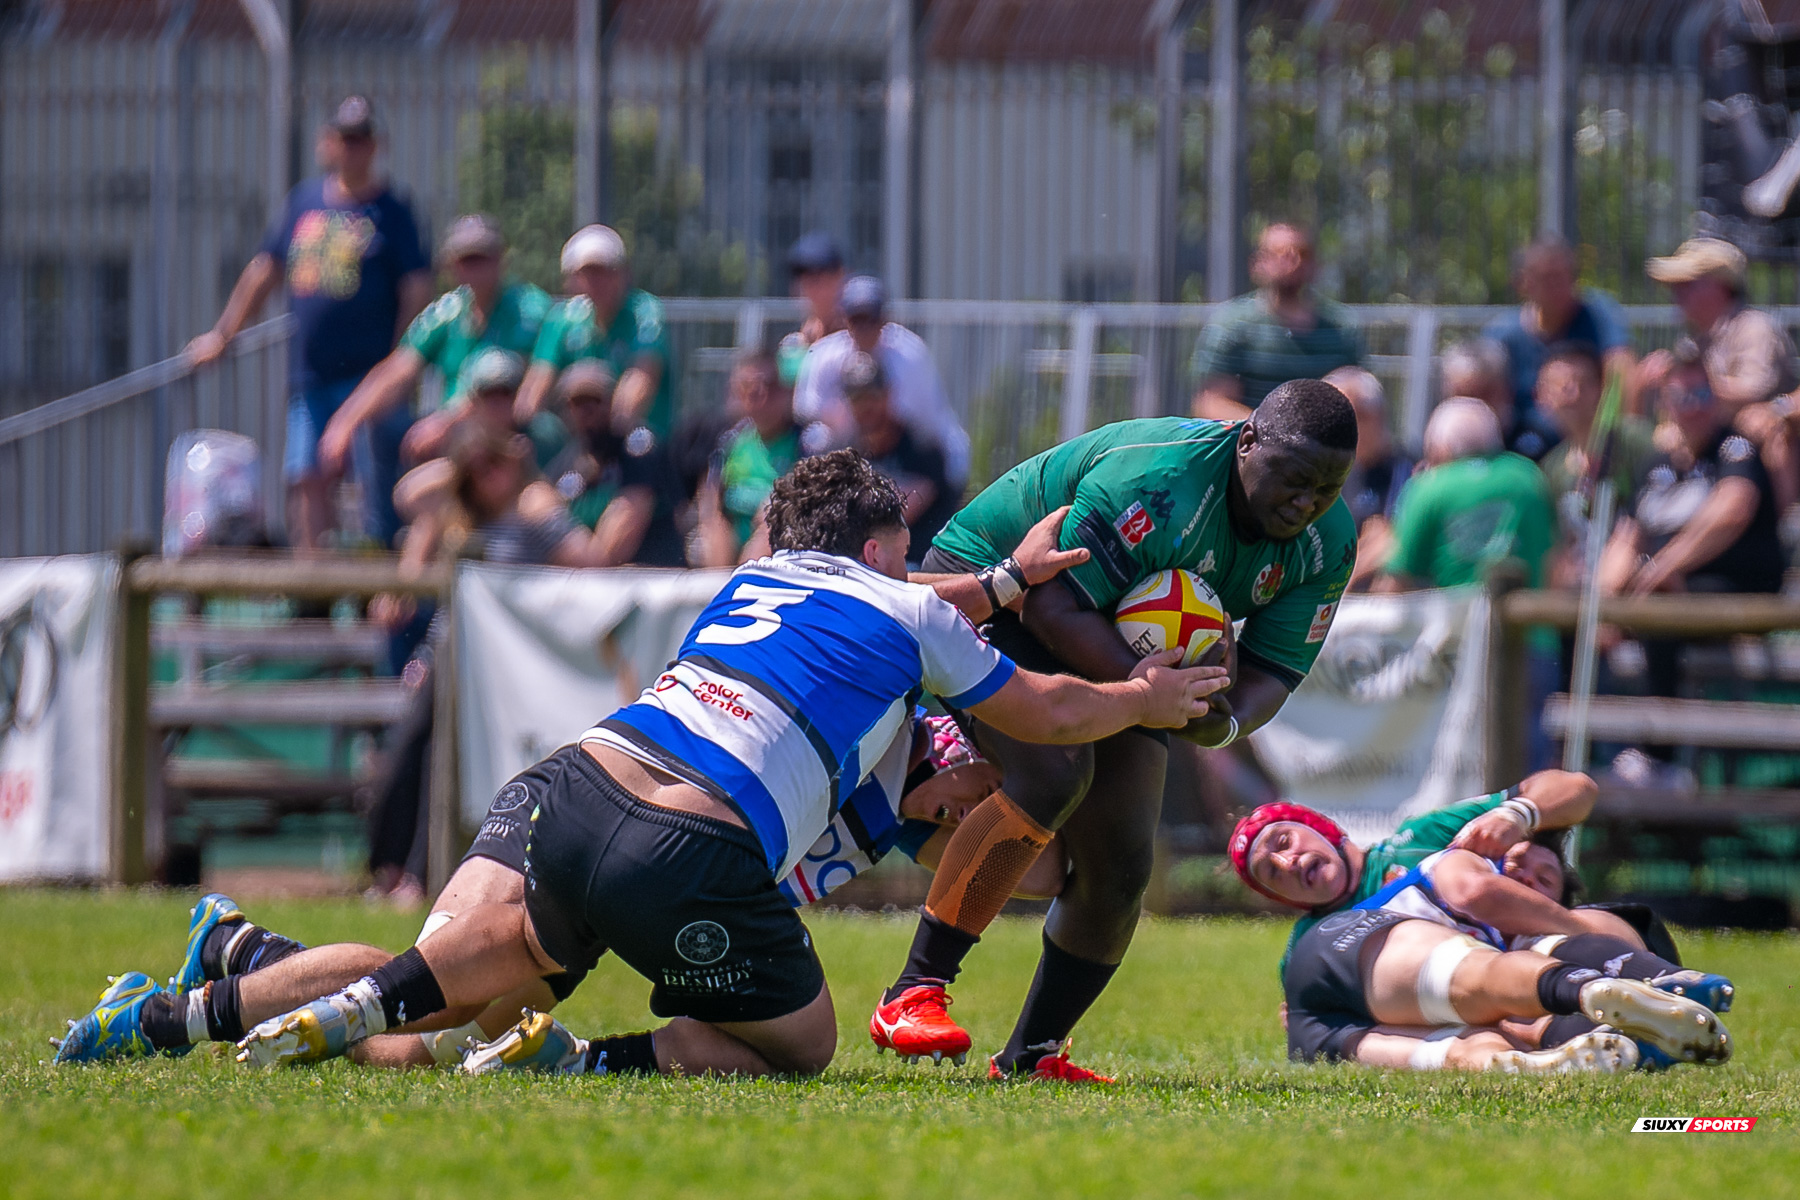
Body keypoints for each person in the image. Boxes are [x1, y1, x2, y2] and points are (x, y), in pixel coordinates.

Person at [57, 452, 1228, 1076]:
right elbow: (1040, 705)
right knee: (802, 1045)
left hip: (576, 776)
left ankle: (190, 1002)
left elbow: (907, 606)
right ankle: (577, 1063)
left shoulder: (754, 581)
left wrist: (1009, 584)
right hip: (686, 839)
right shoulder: (904, 622)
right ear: (881, 550)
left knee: (456, 986)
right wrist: (1145, 695)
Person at [870, 381, 1360, 1080]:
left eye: (1327, 488)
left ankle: (1032, 1056)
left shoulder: (1328, 541)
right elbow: (1051, 608)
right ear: (1246, 440)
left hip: (1111, 641)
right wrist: (1145, 695)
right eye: (1294, 478)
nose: (1306, 502)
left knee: (1124, 856)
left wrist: (1210, 718)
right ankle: (913, 991)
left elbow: (1272, 672)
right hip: (999, 587)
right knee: (1054, 770)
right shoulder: (1159, 480)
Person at [1228, 779, 1734, 1068]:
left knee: (1531, 927)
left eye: (1285, 842)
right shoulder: (1312, 947)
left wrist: (1520, 813)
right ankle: (1625, 1022)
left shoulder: (1419, 837)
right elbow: (1324, 1024)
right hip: (1486, 1006)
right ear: (1279, 898)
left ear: (1322, 829)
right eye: (1273, 873)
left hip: (1549, 947)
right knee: (1500, 1006)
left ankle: (1644, 990)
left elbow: (1578, 788)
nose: (1289, 862)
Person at [186, 96, 432, 550]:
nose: (352, 149)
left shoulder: (393, 212)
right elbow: (266, 270)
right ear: (328, 143)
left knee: (373, 482)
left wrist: (401, 361)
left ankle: (375, 583)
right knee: (306, 475)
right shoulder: (304, 202)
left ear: (377, 147)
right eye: (345, 138)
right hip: (312, 375)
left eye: (362, 140)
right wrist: (223, 335)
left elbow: (416, 288)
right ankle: (313, 584)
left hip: (370, 375)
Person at [317, 215, 552, 479]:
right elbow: (399, 368)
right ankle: (393, 521)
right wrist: (344, 424)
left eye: (483, 258)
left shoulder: (527, 309)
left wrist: (446, 421)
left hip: (507, 428)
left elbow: (505, 390)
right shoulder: (449, 311)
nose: (474, 269)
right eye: (466, 260)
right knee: (385, 428)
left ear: (501, 260)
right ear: (452, 266)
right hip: (453, 428)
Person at [793, 275, 971, 493]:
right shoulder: (826, 353)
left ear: (884, 318)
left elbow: (914, 417)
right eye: (857, 319)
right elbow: (806, 407)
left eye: (871, 318)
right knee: (814, 439)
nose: (864, 327)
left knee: (946, 456)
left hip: (906, 440)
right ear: (844, 318)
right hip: (846, 436)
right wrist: (850, 414)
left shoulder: (909, 353)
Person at [1377, 399, 1557, 591]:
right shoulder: (1531, 477)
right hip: (1536, 617)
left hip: (1455, 620)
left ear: (1440, 449)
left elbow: (1397, 579)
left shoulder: (1429, 487)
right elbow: (1558, 559)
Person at [1190, 223, 1363, 421]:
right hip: (1251, 445)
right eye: (1279, 253)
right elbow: (1212, 403)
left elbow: (1358, 398)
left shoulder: (1341, 328)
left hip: (1322, 446)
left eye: (1302, 253)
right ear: (1257, 264)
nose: (1292, 261)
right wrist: (1273, 434)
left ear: (1315, 265)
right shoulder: (1231, 325)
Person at [517, 225, 673, 438]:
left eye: (607, 272)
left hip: (638, 442)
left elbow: (641, 378)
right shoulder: (563, 318)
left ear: (624, 275)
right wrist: (522, 431)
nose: (597, 282)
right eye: (587, 274)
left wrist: (610, 438)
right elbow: (535, 387)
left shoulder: (642, 312)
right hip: (578, 445)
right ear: (570, 281)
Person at [543, 360, 686, 567]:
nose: (587, 411)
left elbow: (617, 542)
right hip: (585, 583)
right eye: (578, 403)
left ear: (612, 402)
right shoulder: (566, 462)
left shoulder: (638, 448)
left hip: (649, 578)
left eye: (595, 401)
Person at [1482, 235, 1635, 426]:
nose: (1560, 287)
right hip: (1519, 443)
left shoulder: (1597, 316)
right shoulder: (1504, 334)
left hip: (1584, 439)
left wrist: (1614, 435)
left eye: (1567, 276)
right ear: (1523, 283)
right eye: (1549, 278)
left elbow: (1621, 368)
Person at [1534, 341, 1661, 560]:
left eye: (1582, 383)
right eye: (1559, 385)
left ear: (1600, 390)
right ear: (1541, 396)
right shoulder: (1552, 466)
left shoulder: (1632, 440)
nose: (1572, 393)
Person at [694, 349, 820, 567]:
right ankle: (716, 587)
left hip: (778, 542)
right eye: (746, 387)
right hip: (734, 537)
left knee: (770, 525)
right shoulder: (730, 442)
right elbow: (710, 495)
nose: (757, 394)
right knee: (713, 526)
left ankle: (743, 586)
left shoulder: (805, 444)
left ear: (785, 391)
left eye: (767, 386)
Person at [844, 351, 957, 564]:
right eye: (857, 398)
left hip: (920, 566)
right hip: (867, 564)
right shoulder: (847, 452)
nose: (866, 406)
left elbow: (893, 516)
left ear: (888, 394)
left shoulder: (921, 448)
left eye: (872, 396)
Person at [1323, 366, 1410, 591]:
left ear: (1378, 416)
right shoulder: (1334, 469)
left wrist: (1338, 587)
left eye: (1354, 417)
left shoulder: (1406, 468)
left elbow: (1391, 539)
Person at [1440, 338, 1554, 462]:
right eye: (1463, 397)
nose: (1473, 406)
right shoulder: (1438, 451)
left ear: (1507, 392)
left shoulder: (1539, 448)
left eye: (1483, 394)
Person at [780, 231, 849, 384]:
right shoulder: (796, 345)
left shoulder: (857, 333)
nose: (809, 286)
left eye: (818, 275)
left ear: (840, 276)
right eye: (802, 276)